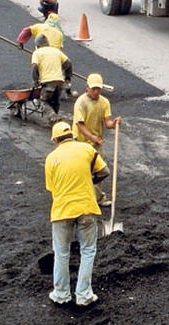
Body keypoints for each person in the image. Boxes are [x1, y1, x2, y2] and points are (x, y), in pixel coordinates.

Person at [44, 121, 110, 306]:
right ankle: (84, 295)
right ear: (72, 135)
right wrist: (90, 181)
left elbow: (51, 188)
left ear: (56, 140)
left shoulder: (51, 158)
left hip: (62, 210)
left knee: (61, 252)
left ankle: (61, 294)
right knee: (88, 251)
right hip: (87, 207)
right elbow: (104, 171)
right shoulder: (87, 149)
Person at [72, 73, 121, 207]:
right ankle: (80, 196)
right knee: (81, 170)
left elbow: (107, 123)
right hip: (80, 142)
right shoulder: (81, 102)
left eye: (98, 89)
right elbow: (79, 125)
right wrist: (92, 137)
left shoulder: (104, 102)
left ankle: (98, 198)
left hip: (96, 142)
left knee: (100, 170)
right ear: (87, 87)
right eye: (93, 88)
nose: (96, 91)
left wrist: (114, 124)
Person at [31, 34, 72, 125]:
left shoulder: (37, 53)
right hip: (60, 81)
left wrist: (35, 81)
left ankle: (53, 117)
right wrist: (67, 76)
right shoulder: (56, 51)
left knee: (43, 102)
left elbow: (34, 67)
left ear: (37, 45)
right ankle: (56, 124)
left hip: (48, 82)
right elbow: (68, 63)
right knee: (55, 102)